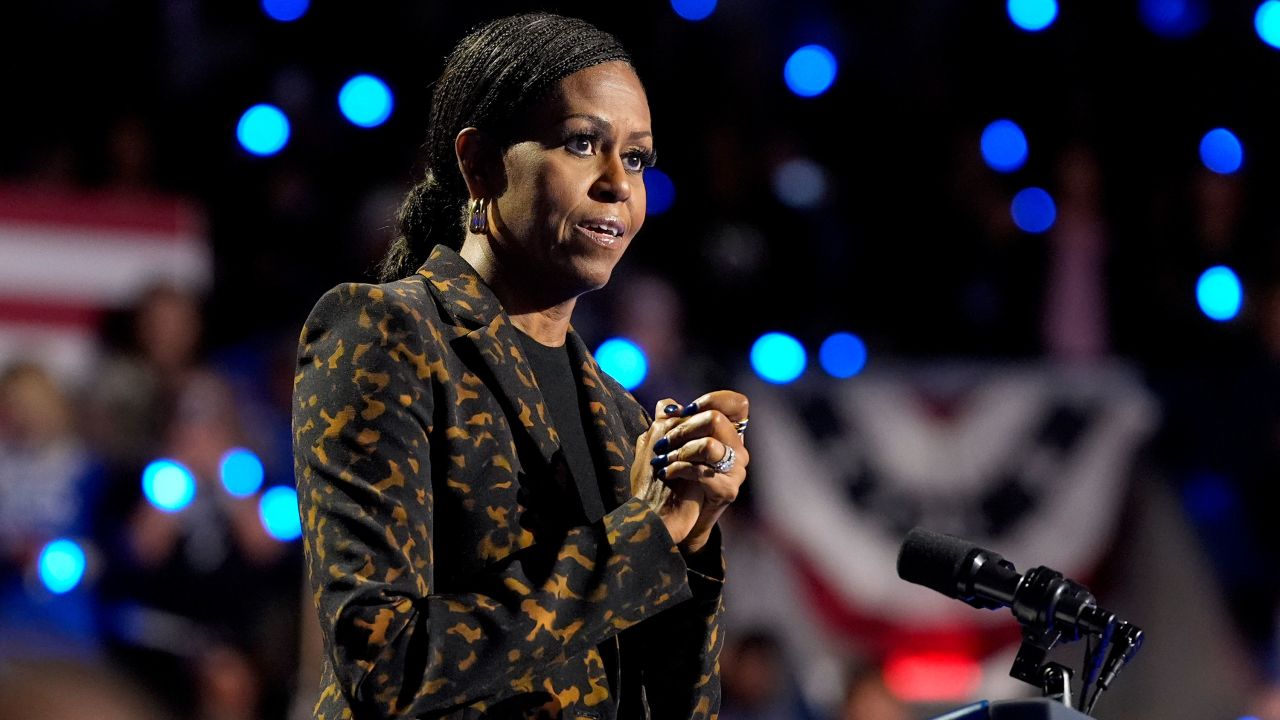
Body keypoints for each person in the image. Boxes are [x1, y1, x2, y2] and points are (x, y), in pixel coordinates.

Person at [292, 13, 750, 720]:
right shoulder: (389, 334)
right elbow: (384, 666)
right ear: (479, 163)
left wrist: (690, 535)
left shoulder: (622, 413)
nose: (617, 186)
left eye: (635, 159)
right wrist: (643, 536)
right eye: (581, 144)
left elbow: (674, 706)